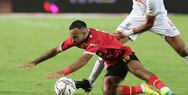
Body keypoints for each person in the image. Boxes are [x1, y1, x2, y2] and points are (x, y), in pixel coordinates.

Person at [18, 20, 175, 95]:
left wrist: (64, 72)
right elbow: (55, 50)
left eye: (75, 36)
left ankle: (164, 89)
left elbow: (84, 60)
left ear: (85, 33)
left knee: (137, 69)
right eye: (71, 36)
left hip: (123, 54)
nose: (72, 39)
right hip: (111, 62)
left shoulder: (95, 38)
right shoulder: (76, 39)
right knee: (108, 91)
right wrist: (35, 62)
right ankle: (143, 89)